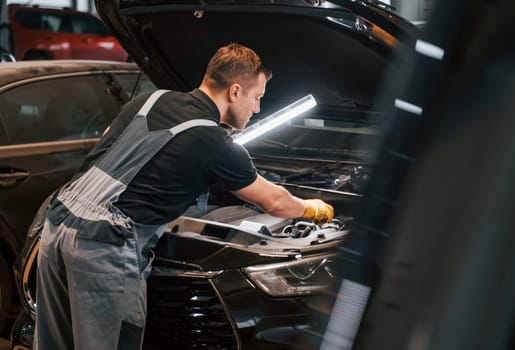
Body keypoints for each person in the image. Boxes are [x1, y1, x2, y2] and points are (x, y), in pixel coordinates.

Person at [34, 42, 333, 350]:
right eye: (256, 98)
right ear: (234, 92)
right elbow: (274, 202)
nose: (257, 108)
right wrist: (312, 209)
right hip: (103, 247)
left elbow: (107, 144)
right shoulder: (213, 141)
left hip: (57, 227)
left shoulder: (151, 99)